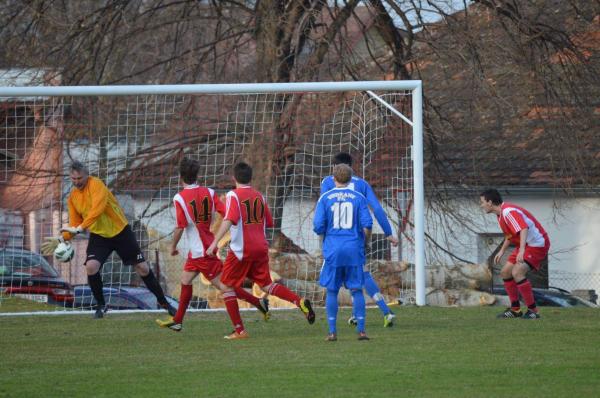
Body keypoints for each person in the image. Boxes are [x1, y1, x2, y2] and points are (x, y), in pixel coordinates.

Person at [41, 161, 175, 319]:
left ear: (87, 176)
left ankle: (163, 302)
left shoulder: (97, 185)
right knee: (91, 267)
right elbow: (74, 224)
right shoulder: (73, 198)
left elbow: (97, 209)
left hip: (121, 231)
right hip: (100, 236)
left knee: (143, 268)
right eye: (73, 179)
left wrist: (80, 228)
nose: (77, 182)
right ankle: (101, 305)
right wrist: (61, 239)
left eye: (80, 178)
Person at [155, 157, 269, 332]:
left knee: (225, 287)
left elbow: (180, 226)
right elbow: (226, 212)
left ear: (181, 177)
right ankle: (177, 320)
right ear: (197, 175)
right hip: (199, 250)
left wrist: (172, 246)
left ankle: (253, 308)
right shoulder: (209, 192)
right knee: (185, 280)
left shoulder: (179, 198)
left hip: (202, 253)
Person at [206, 161, 316, 340]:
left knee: (226, 286)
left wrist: (214, 243)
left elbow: (229, 220)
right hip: (261, 248)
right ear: (251, 178)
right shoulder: (260, 196)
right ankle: (300, 302)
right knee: (267, 285)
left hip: (242, 250)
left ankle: (239, 330)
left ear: (234, 178)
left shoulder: (233, 196)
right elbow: (270, 223)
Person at [320, 152, 399, 327]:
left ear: (335, 169)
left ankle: (382, 312)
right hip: (357, 239)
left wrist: (323, 237)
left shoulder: (327, 183)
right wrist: (388, 233)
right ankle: (371, 313)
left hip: (335, 241)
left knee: (335, 285)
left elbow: (324, 210)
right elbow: (377, 209)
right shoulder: (362, 184)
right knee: (360, 274)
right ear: (351, 167)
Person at [314, 163, 373, 341]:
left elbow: (318, 226)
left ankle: (332, 332)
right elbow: (367, 224)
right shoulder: (359, 197)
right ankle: (361, 331)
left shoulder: (325, 198)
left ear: (333, 179)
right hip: (354, 248)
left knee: (332, 290)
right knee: (356, 289)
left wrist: (327, 233)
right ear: (350, 178)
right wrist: (365, 241)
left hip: (333, 250)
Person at [479, 189, 550, 319]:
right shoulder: (500, 215)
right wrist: (501, 251)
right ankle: (515, 309)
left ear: (490, 202)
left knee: (517, 272)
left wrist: (522, 250)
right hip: (525, 245)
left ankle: (533, 311)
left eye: (482, 202)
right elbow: (510, 235)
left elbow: (523, 228)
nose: (481, 205)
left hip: (536, 244)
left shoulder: (508, 211)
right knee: (505, 272)